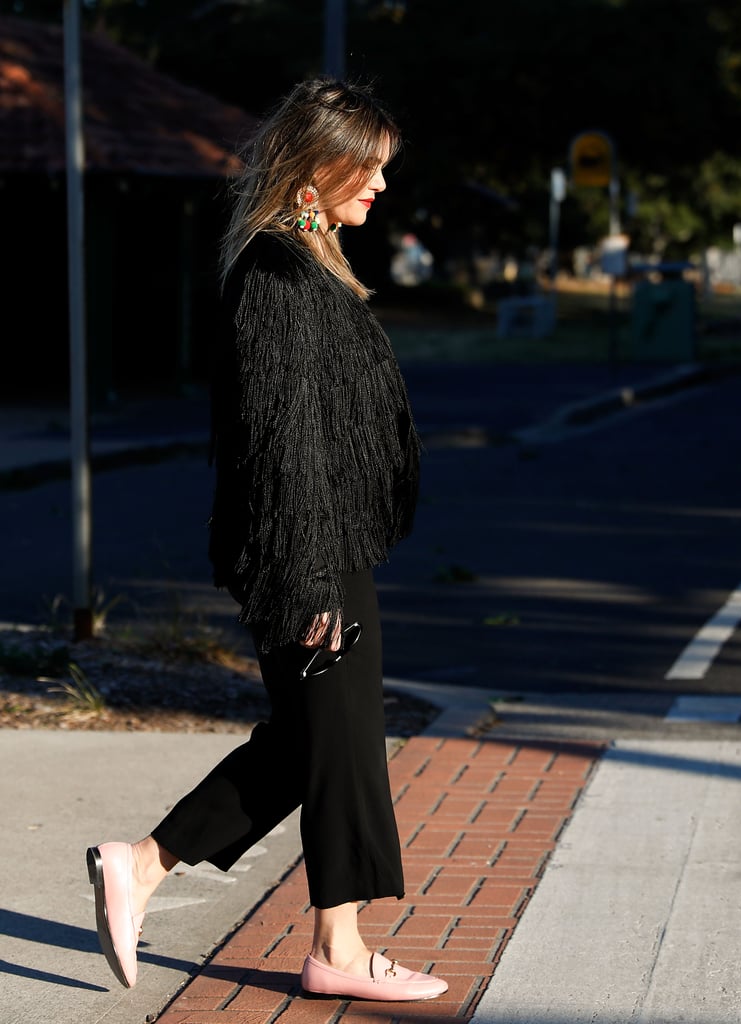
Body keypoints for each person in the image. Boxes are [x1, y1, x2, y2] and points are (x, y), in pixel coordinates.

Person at [85, 77, 448, 1003]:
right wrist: (313, 577)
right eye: (363, 169)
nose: (378, 187)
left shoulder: (307, 264)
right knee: (339, 739)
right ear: (310, 172)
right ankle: (338, 946)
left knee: (315, 740)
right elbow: (282, 442)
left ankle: (157, 869)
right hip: (306, 551)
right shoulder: (276, 278)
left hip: (322, 544)